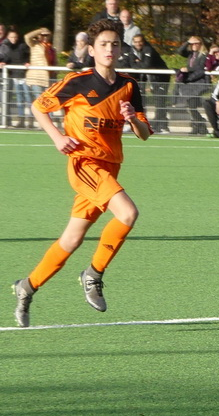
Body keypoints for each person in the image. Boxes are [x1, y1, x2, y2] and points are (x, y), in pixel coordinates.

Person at [11, 19, 152, 328]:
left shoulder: (129, 85)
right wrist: (57, 137)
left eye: (114, 44)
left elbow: (144, 133)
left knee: (72, 238)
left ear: (120, 49)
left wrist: (133, 119)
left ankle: (27, 287)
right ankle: (93, 274)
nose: (109, 49)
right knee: (128, 213)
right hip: (84, 164)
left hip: (109, 167)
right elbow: (38, 107)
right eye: (103, 44)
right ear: (91, 50)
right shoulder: (77, 81)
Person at [127, 33, 171, 133]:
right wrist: (138, 63)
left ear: (143, 42)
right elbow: (131, 64)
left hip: (160, 78)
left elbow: (146, 65)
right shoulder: (132, 51)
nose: (138, 44)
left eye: (140, 42)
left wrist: (138, 62)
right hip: (148, 79)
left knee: (160, 101)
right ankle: (147, 124)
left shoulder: (148, 49)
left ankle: (163, 125)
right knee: (142, 101)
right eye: (136, 42)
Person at [176, 36, 209, 134]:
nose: (194, 45)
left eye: (196, 43)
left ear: (201, 44)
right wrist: (187, 42)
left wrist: (188, 70)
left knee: (191, 104)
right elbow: (180, 51)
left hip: (199, 83)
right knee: (191, 106)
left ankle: (200, 124)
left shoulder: (204, 55)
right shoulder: (191, 54)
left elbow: (200, 68)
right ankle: (198, 126)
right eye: (192, 44)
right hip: (190, 83)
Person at [0, 28, 31, 127]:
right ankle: (21, 120)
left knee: (28, 98)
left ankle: (30, 120)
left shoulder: (22, 46)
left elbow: (28, 56)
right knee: (19, 99)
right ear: (8, 37)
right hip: (14, 76)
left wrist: (28, 62)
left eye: (15, 37)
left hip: (24, 75)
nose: (13, 39)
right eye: (11, 37)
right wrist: (2, 62)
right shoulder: (6, 46)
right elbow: (6, 58)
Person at [25, 28, 57, 105]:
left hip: (49, 78)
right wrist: (40, 31)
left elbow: (54, 62)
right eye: (43, 35)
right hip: (37, 78)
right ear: (38, 36)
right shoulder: (34, 44)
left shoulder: (51, 48)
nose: (45, 37)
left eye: (47, 35)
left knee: (48, 101)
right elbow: (27, 37)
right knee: (39, 101)